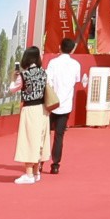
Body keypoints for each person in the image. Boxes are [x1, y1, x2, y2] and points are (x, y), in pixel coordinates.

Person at [12, 45, 51, 184]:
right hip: (43, 109)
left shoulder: (24, 74)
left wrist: (14, 77)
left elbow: (12, 89)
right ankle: (36, 172)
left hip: (30, 109)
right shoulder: (44, 73)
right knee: (39, 140)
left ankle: (29, 174)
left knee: (28, 140)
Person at [43, 46, 81, 177]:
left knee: (44, 134)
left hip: (51, 103)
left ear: (60, 47)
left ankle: (40, 162)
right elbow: (77, 80)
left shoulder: (53, 62)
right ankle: (55, 165)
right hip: (65, 105)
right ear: (72, 49)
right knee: (59, 136)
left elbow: (47, 79)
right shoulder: (76, 64)